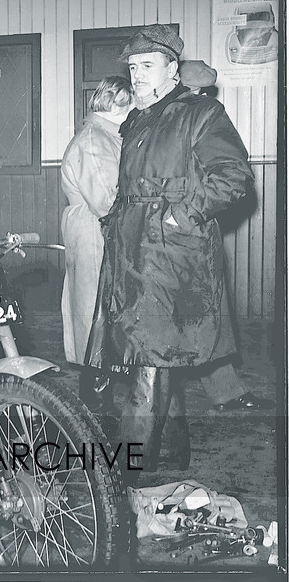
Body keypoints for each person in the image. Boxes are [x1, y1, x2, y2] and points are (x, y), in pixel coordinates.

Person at [85, 25, 254, 486]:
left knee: (148, 358)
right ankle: (175, 452)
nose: (136, 77)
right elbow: (127, 190)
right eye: (133, 68)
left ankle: (126, 479)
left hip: (172, 260)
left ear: (172, 71)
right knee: (157, 354)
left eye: (146, 67)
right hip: (132, 254)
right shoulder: (137, 121)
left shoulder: (200, 113)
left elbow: (233, 176)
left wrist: (180, 216)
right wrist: (115, 223)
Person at [175, 59, 275, 412]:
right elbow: (231, 174)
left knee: (196, 317)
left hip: (177, 225)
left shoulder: (163, 115)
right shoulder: (203, 111)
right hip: (191, 227)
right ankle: (225, 393)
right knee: (204, 316)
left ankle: (222, 392)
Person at [59, 76, 134, 420]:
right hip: (95, 229)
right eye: (131, 103)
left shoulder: (106, 136)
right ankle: (96, 406)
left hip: (96, 228)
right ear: (117, 104)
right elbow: (106, 201)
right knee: (95, 316)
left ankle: (99, 399)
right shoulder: (95, 141)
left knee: (100, 312)